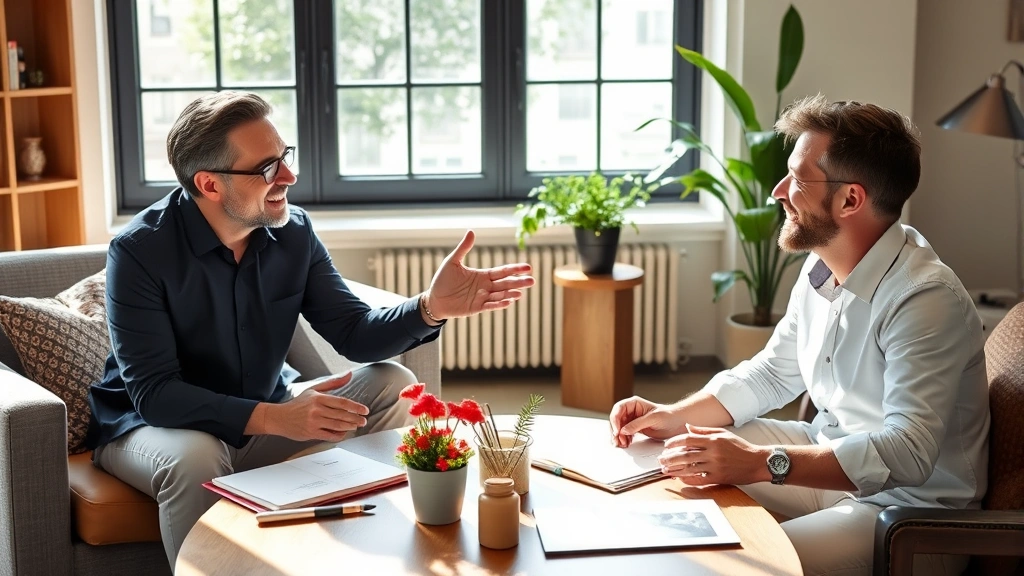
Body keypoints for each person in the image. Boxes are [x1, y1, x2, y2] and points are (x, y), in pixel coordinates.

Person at [86, 91, 535, 571]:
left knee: (392, 385)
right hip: (152, 427)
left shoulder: (293, 232)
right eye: (267, 168)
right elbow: (155, 393)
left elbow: (354, 332)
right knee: (196, 454)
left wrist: (429, 308)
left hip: (264, 412)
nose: (289, 176)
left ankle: (383, 551)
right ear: (210, 185)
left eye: (285, 157)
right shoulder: (139, 251)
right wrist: (278, 419)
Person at [609, 95, 989, 576]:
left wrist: (761, 463)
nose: (778, 190)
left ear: (850, 199)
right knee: (666, 448)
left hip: (908, 515)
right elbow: (772, 374)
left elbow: (907, 453)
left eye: (798, 179)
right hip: (829, 459)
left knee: (730, 566)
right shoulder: (822, 263)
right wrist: (671, 415)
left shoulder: (925, 299)